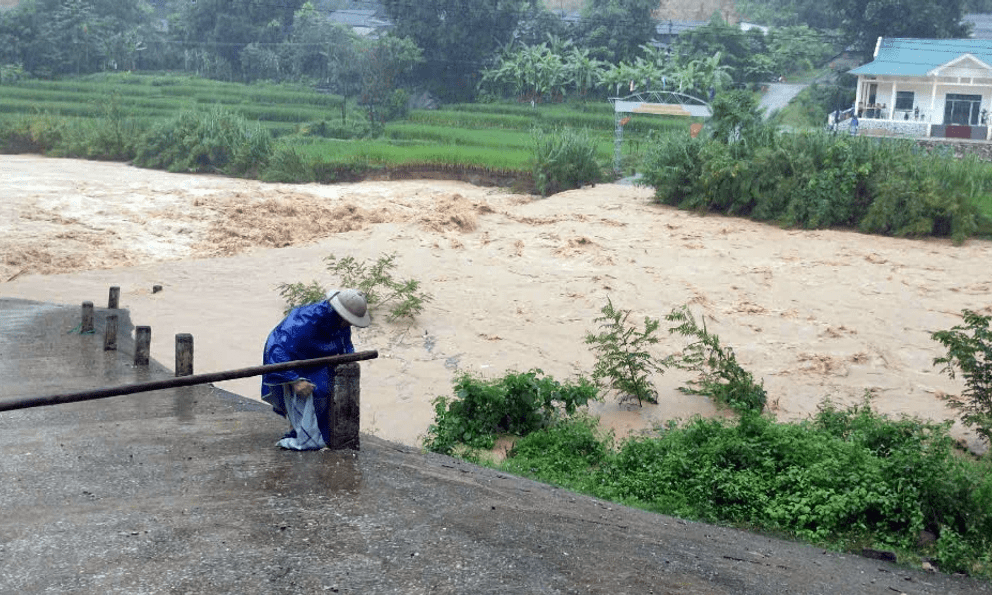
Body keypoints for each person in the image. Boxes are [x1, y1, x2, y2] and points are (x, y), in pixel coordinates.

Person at [261, 289, 371, 450]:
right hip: (290, 358)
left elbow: (344, 342)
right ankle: (300, 434)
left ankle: (320, 432)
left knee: (325, 390)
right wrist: (294, 380)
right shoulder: (304, 322)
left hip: (317, 357)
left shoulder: (339, 322)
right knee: (305, 393)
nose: (350, 324)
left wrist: (350, 359)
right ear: (340, 314)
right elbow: (277, 349)